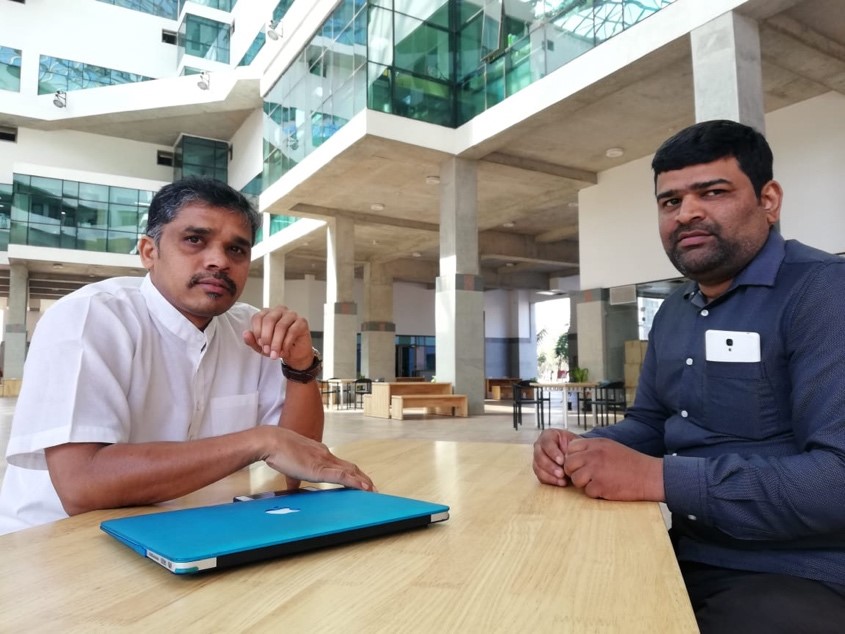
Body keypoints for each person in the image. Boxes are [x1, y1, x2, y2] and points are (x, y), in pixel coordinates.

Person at [533, 120, 845, 632]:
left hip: (797, 572)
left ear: (769, 200)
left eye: (713, 192)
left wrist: (656, 477)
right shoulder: (675, 310)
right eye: (670, 201)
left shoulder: (822, 294)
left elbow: (837, 480)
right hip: (681, 551)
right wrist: (577, 447)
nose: (687, 213)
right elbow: (651, 424)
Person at [0, 177, 373, 535]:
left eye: (236, 249)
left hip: (185, 530)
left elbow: (299, 465)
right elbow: (83, 485)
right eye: (195, 239)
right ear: (149, 251)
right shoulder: (89, 319)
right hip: (55, 545)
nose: (219, 261)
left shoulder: (249, 329)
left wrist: (301, 367)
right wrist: (260, 440)